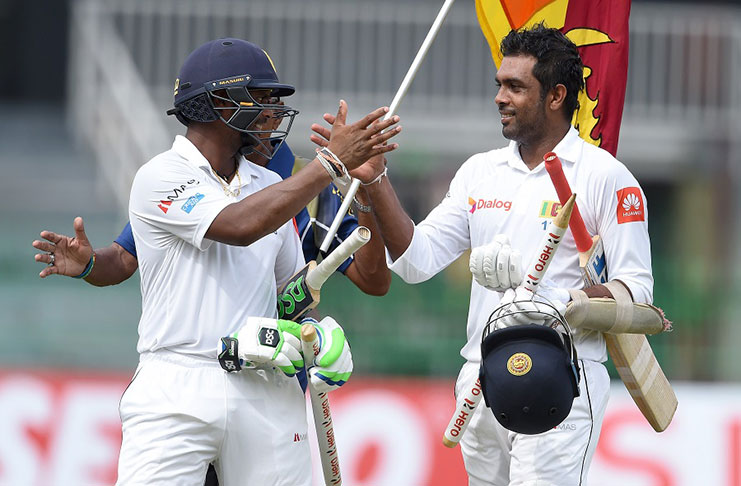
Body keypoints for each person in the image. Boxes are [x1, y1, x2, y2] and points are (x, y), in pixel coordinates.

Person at [37, 37, 401, 485]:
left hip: (267, 384)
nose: (274, 110)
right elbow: (238, 225)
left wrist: (315, 335)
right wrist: (329, 163)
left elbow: (293, 293)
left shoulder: (269, 182)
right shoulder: (161, 176)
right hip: (176, 385)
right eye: (263, 97)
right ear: (218, 101)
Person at [311, 24, 653, 485]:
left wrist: (552, 298)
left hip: (560, 376)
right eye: (499, 85)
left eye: (515, 86)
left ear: (556, 96)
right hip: (480, 377)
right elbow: (415, 261)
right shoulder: (480, 172)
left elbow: (637, 294)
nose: (500, 97)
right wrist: (376, 178)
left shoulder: (607, 177)